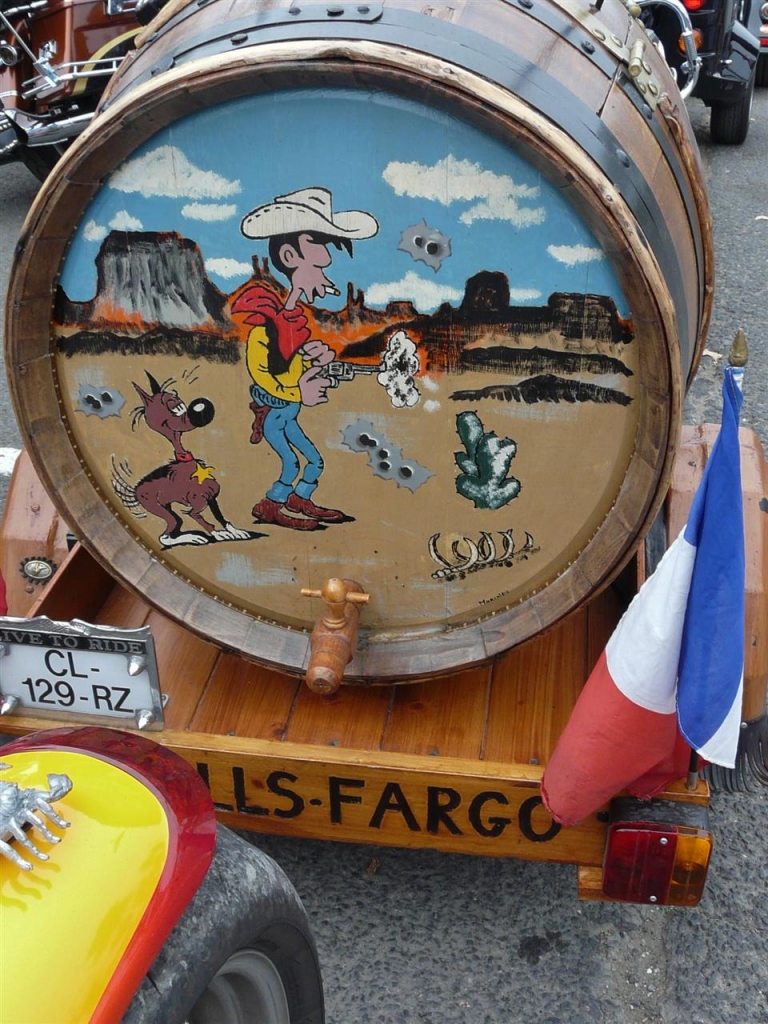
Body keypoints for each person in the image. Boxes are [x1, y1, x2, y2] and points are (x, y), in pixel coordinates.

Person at [232, 187, 378, 531]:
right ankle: (270, 505)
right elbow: (263, 374)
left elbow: (290, 359)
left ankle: (299, 499)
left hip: (289, 412)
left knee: (314, 461)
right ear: (289, 255)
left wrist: (312, 358)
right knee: (291, 464)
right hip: (275, 414)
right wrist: (300, 390)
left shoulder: (293, 321)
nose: (325, 267)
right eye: (317, 261)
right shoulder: (264, 327)